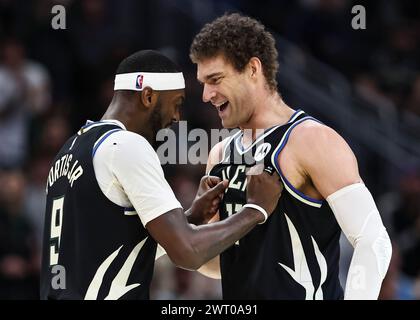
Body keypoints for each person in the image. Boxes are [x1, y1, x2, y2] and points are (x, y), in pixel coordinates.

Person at [40, 50, 282, 300]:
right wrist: (255, 210)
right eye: (176, 104)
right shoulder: (125, 145)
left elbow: (109, 248)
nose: (177, 118)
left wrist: (190, 219)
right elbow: (188, 252)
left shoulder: (69, 150)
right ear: (148, 96)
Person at [189, 13, 392, 300]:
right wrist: (198, 230)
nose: (206, 95)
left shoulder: (311, 140)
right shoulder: (220, 154)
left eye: (216, 79)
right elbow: (222, 266)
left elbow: (373, 241)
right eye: (203, 83)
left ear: (253, 69)